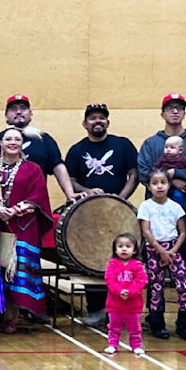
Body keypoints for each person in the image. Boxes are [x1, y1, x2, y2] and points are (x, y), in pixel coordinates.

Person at [137, 93, 186, 333]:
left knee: (185, 271)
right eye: (170, 108)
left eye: (179, 108)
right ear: (162, 113)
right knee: (154, 273)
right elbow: (144, 173)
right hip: (155, 218)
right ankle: (155, 319)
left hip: (185, 215)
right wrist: (172, 178)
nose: (175, 112)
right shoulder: (151, 143)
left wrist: (173, 175)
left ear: (184, 113)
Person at [64, 103, 140, 326]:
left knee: (122, 262)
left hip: (119, 215)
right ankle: (96, 309)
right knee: (92, 260)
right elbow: (70, 180)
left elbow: (134, 175)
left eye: (102, 118)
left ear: (108, 122)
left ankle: (123, 310)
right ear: (85, 124)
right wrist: (87, 193)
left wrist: (118, 201)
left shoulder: (122, 145)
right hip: (89, 215)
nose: (97, 121)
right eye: (92, 118)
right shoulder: (77, 150)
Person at [0, 127, 53, 333]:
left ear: (22, 144)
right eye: (8, 139)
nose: (12, 142)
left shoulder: (33, 169)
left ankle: (11, 318)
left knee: (15, 272)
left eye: (17, 139)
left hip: (22, 227)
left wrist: (13, 211)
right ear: (1, 143)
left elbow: (38, 197)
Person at [0, 94, 77, 201]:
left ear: (30, 114)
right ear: (6, 115)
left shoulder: (44, 139)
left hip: (35, 204)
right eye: (13, 109)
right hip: (0, 206)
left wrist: (70, 194)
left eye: (23, 108)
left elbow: (58, 167)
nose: (19, 112)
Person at [137, 170, 186, 341]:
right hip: (154, 249)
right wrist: (160, 250)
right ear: (149, 186)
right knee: (156, 287)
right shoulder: (146, 206)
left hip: (173, 249)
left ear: (169, 185)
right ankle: (157, 324)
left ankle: (184, 324)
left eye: (163, 182)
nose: (159, 186)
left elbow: (182, 232)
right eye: (155, 183)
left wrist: (172, 250)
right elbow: (145, 231)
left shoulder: (175, 207)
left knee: (183, 284)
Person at [103, 233, 148, 355]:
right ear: (115, 249)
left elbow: (141, 281)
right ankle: (112, 344)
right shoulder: (112, 264)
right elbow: (109, 280)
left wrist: (130, 292)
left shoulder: (138, 266)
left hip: (133, 305)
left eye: (128, 246)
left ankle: (136, 346)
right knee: (114, 326)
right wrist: (119, 291)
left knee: (134, 328)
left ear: (134, 250)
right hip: (115, 304)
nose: (124, 249)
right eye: (120, 246)